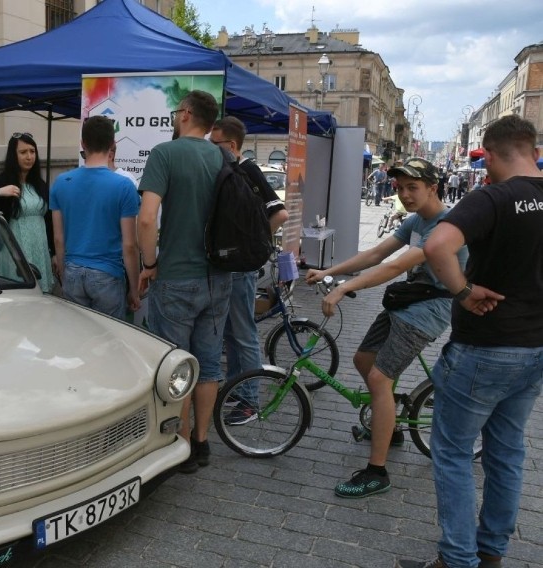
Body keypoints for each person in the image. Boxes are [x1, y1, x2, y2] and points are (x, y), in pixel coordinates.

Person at [399, 115, 543, 568]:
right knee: (506, 451)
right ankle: (491, 550)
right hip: (534, 347)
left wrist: (462, 290)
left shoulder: (495, 197)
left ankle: (458, 559)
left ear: (493, 151)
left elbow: (438, 244)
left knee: (454, 453)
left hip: (485, 345)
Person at [305, 157, 467, 499]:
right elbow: (376, 254)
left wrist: (346, 288)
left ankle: (377, 472)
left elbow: (396, 267)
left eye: (413, 188)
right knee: (363, 360)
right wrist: (329, 271)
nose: (405, 195)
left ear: (432, 188)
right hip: (407, 300)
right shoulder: (417, 221)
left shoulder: (444, 225)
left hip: (429, 309)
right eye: (400, 188)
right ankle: (388, 424)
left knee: (379, 377)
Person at [137, 90, 231, 473]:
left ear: (187, 114)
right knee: (208, 364)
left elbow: (146, 219)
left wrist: (149, 263)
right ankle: (202, 442)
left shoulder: (165, 153)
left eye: (177, 111)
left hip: (175, 275)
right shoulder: (222, 156)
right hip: (218, 278)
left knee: (175, 365)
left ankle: (177, 443)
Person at [209, 116, 288, 424]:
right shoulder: (229, 171)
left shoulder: (247, 170)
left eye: (214, 145)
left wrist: (253, 241)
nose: (210, 150)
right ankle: (236, 390)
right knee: (232, 333)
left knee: (243, 334)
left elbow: (279, 213)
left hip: (241, 266)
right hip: (231, 266)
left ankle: (250, 400)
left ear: (230, 146)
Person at [50, 116, 141, 318]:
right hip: (108, 274)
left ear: (83, 144)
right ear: (112, 145)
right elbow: (130, 246)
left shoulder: (60, 183)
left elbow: (58, 238)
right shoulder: (124, 186)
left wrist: (65, 275)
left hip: (72, 271)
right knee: (108, 342)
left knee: (77, 339)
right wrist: (134, 289)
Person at [0, 132, 55, 292]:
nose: (29, 157)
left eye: (32, 151)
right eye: (23, 152)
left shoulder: (39, 185)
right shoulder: (1, 181)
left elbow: (49, 220)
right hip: (14, 250)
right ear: (13, 156)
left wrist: (54, 252)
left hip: (39, 248)